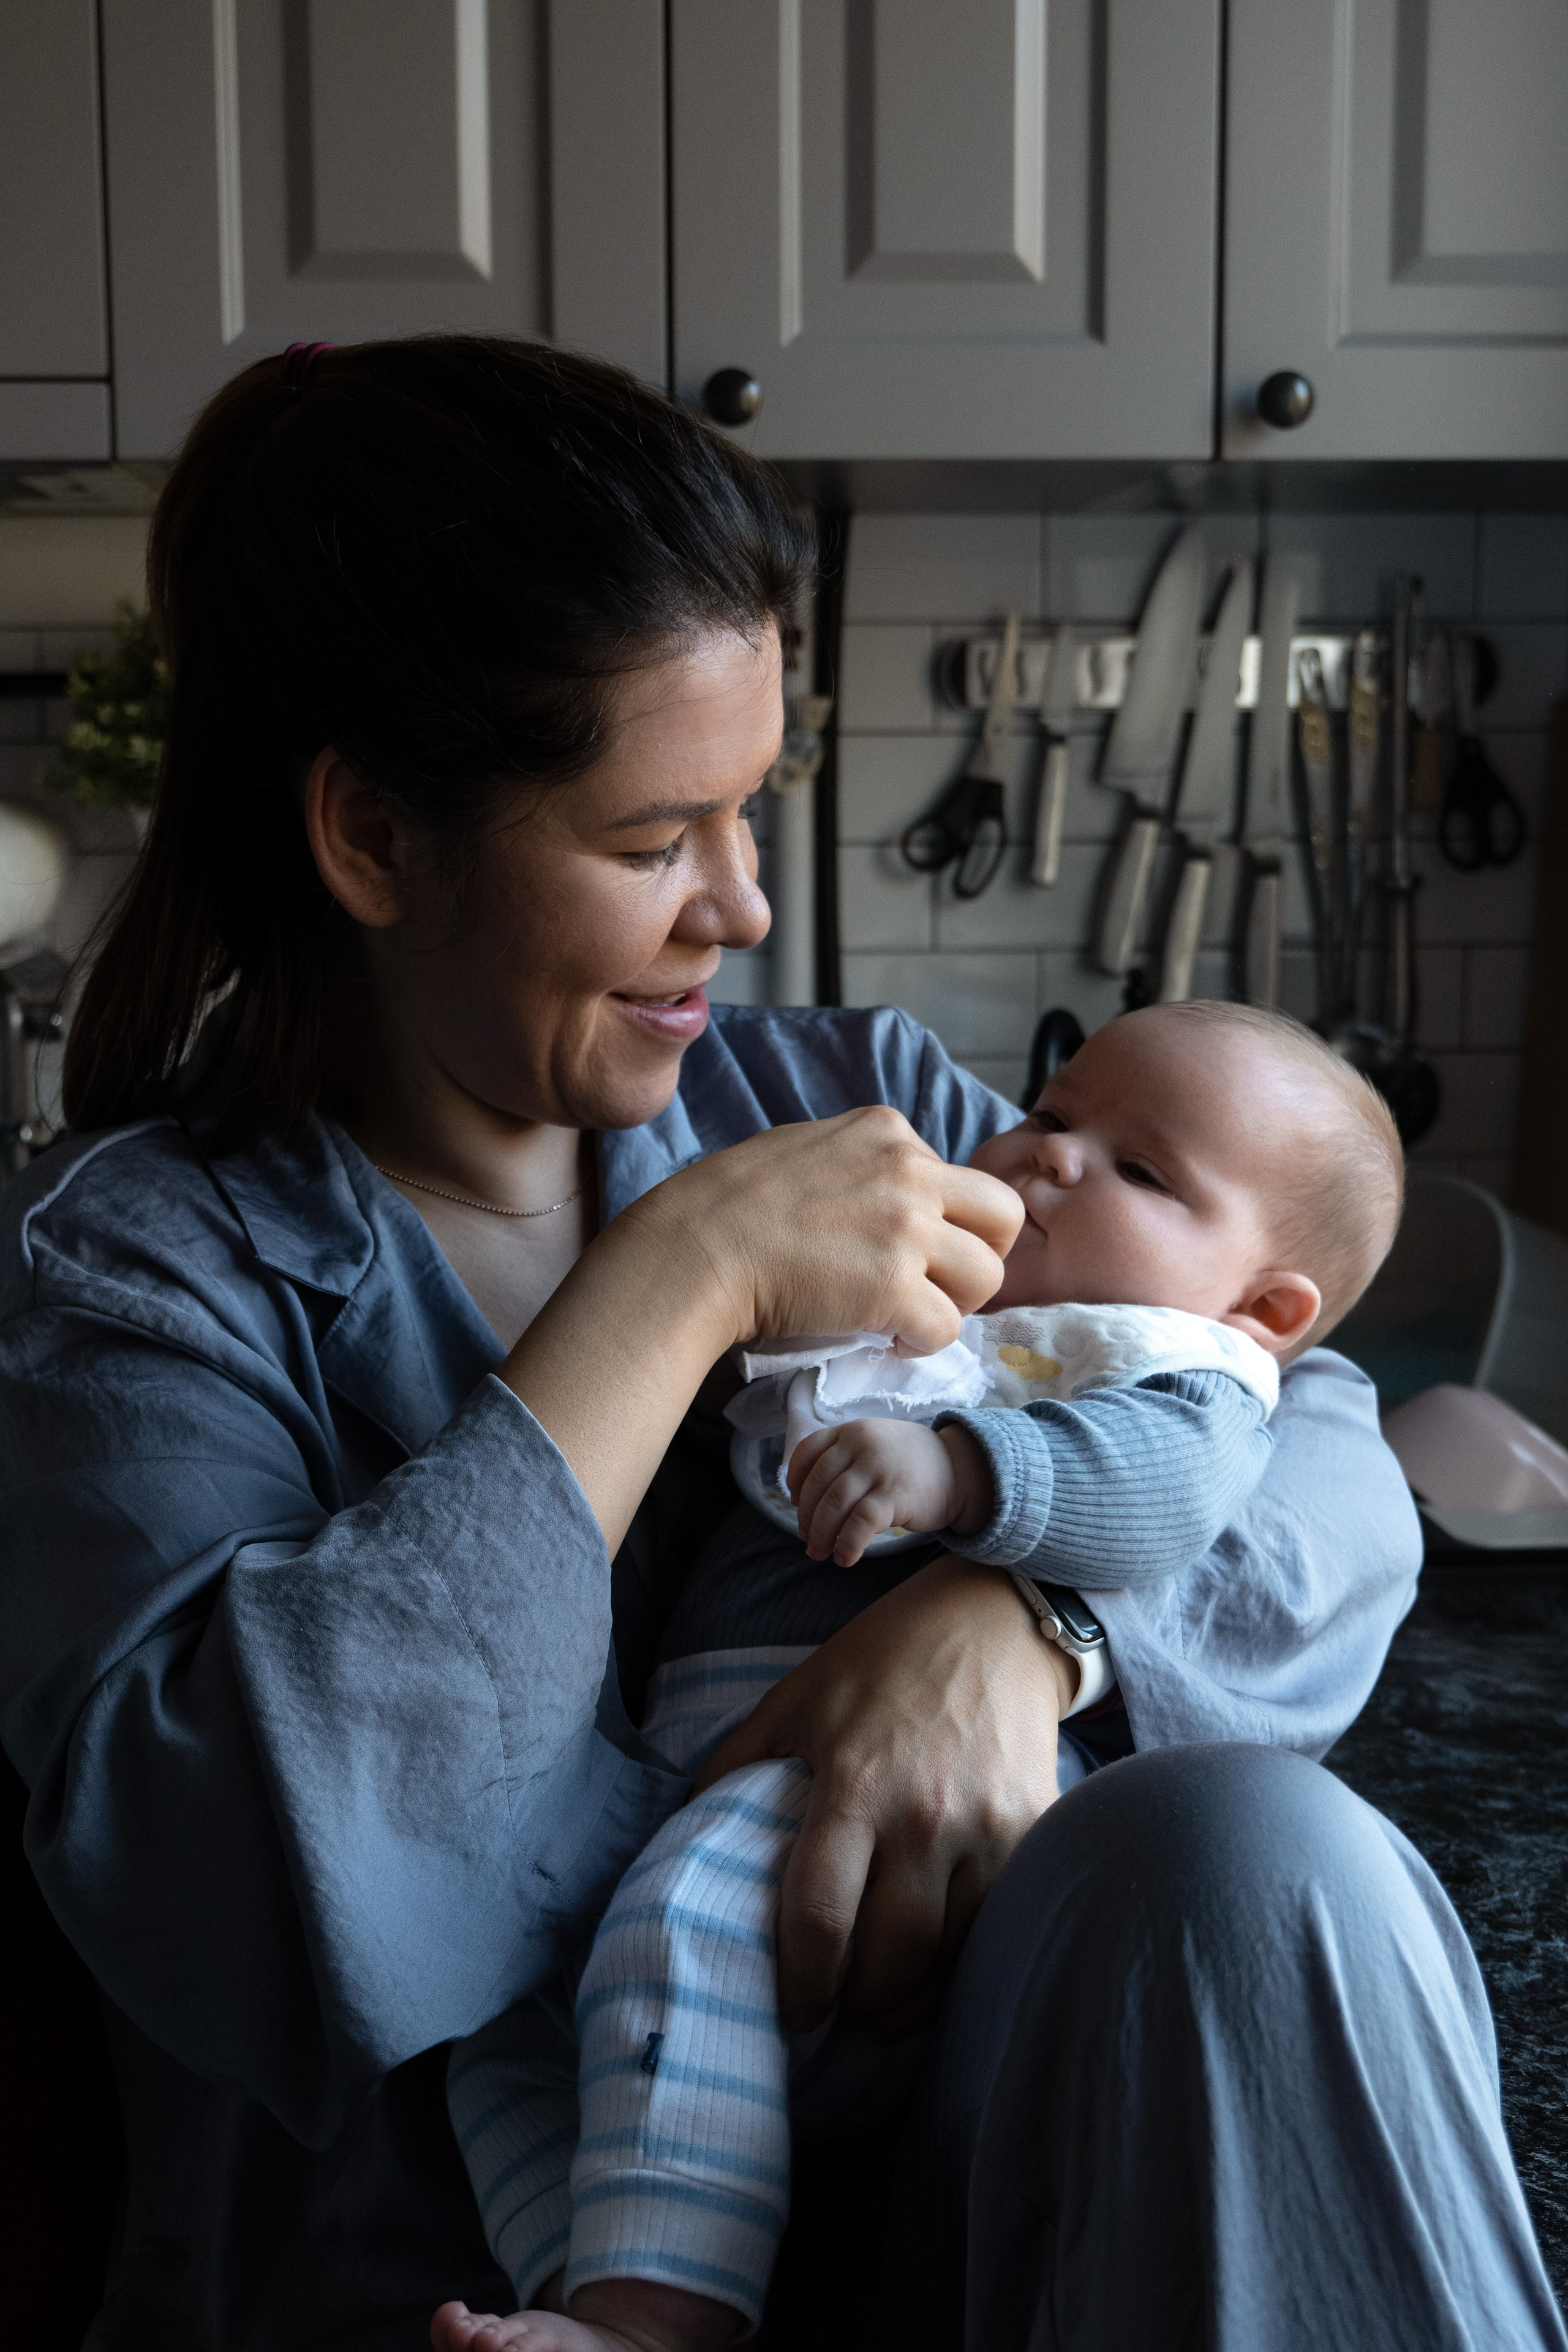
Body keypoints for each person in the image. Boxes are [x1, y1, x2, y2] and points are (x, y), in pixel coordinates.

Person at [0, 336, 1559, 2352]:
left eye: (754, 812)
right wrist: (678, 1283)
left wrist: (1026, 1620)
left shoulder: (854, 1095)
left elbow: (1305, 1424)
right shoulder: (133, 1273)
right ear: (373, 837)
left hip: (943, 2211)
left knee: (1257, 1852)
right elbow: (225, 1876)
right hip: (461, 2272)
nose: (739, 908)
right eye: (655, 840)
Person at [432, 1001, 1408, 2350]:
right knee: (498, 2040)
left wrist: (966, 1480)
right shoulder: (940, 1283)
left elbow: (1171, 1491)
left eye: (1140, 1170)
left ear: (1259, 1308)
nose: (1049, 1153)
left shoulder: (1165, 1367)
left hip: (851, 1814)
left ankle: (654, 2324)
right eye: (1052, 1112)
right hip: (682, 1775)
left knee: (684, 1919)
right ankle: (577, 2278)